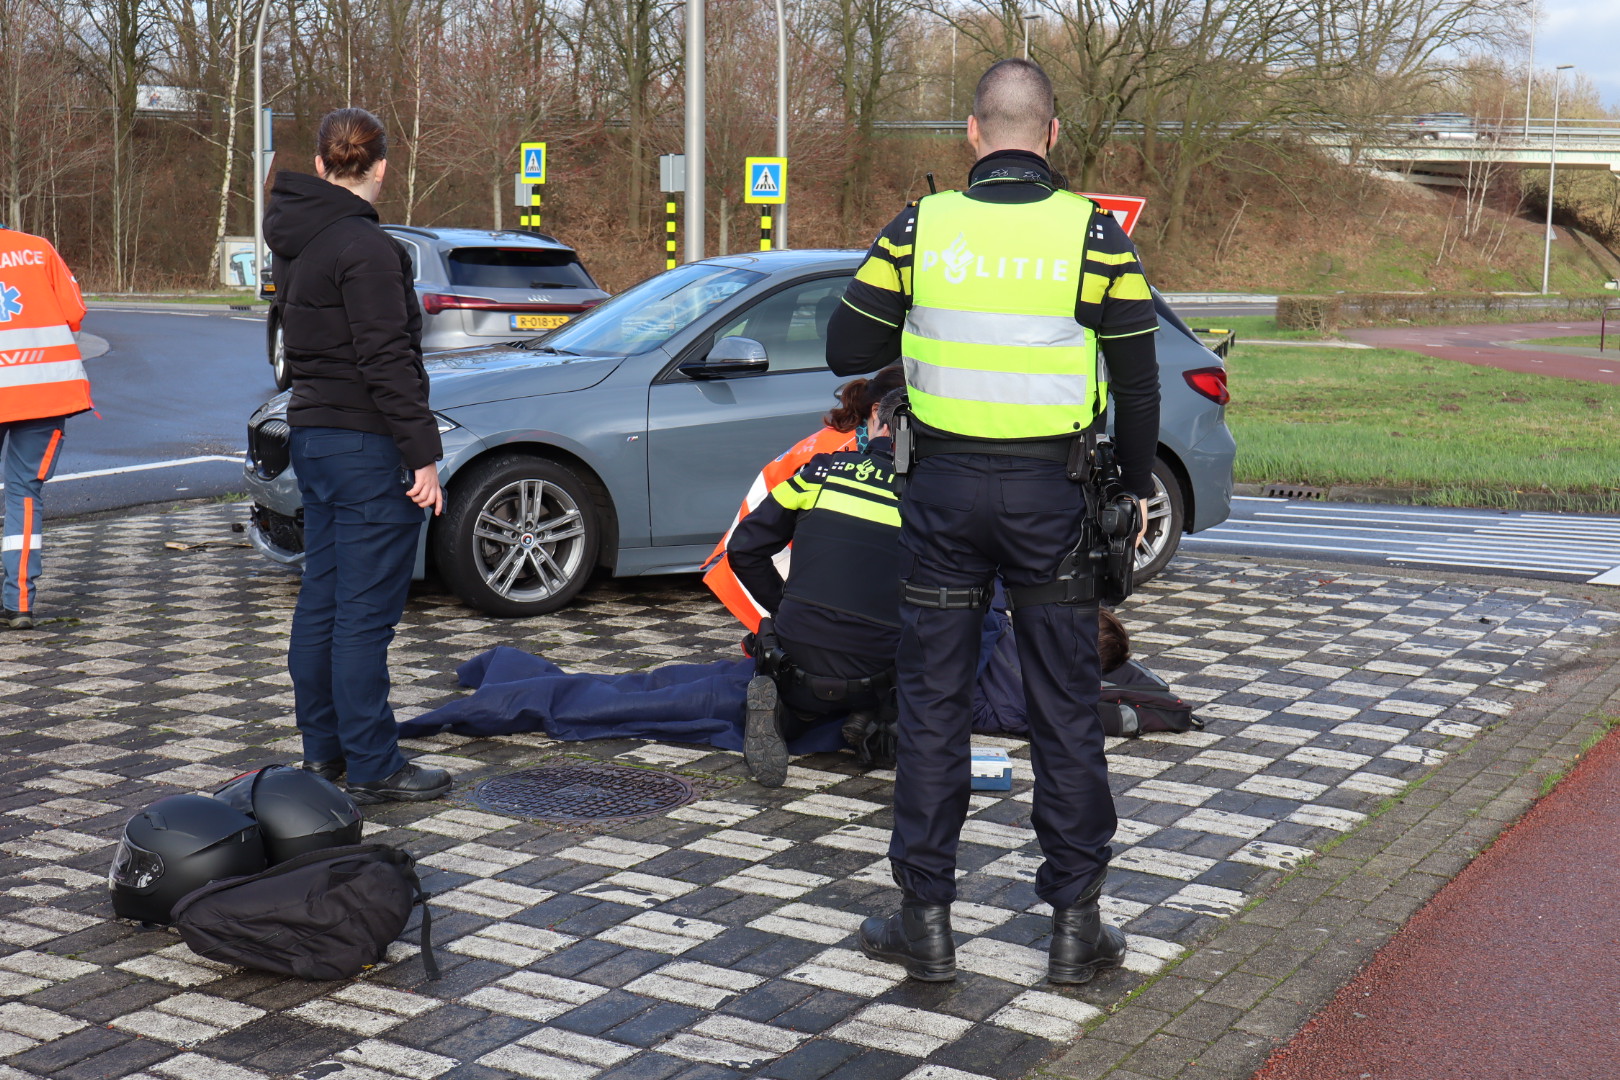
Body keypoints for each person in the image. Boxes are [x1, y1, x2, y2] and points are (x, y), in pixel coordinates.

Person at [827, 58, 1161, 985]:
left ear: (974, 134)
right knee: (1064, 708)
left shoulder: (920, 226)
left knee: (933, 704)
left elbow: (844, 345)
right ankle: (1074, 926)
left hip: (940, 494)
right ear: (1052, 135)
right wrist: (1130, 493)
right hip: (1052, 499)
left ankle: (925, 925)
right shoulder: (1094, 236)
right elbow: (1138, 380)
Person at [264, 108, 451, 805]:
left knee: (324, 601)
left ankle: (325, 755)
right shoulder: (367, 249)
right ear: (380, 167)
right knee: (363, 615)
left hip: (313, 436)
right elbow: (387, 361)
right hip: (367, 447)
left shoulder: (299, 242)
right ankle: (375, 765)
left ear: (320, 165)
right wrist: (423, 456)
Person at [725, 388, 908, 786]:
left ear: (876, 420)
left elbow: (743, 549)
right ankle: (875, 718)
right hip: (879, 672)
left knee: (795, 675)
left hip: (795, 657)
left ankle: (785, 714)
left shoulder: (820, 472)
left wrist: (783, 605)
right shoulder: (934, 501)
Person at [704, 363, 905, 631]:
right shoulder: (836, 454)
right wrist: (791, 612)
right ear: (878, 411)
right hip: (764, 560)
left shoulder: (856, 440)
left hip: (764, 550)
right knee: (788, 647)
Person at [0, 223, 92, 630]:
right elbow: (74, 313)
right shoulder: (37, 250)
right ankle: (19, 602)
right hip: (43, 391)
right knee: (23, 491)